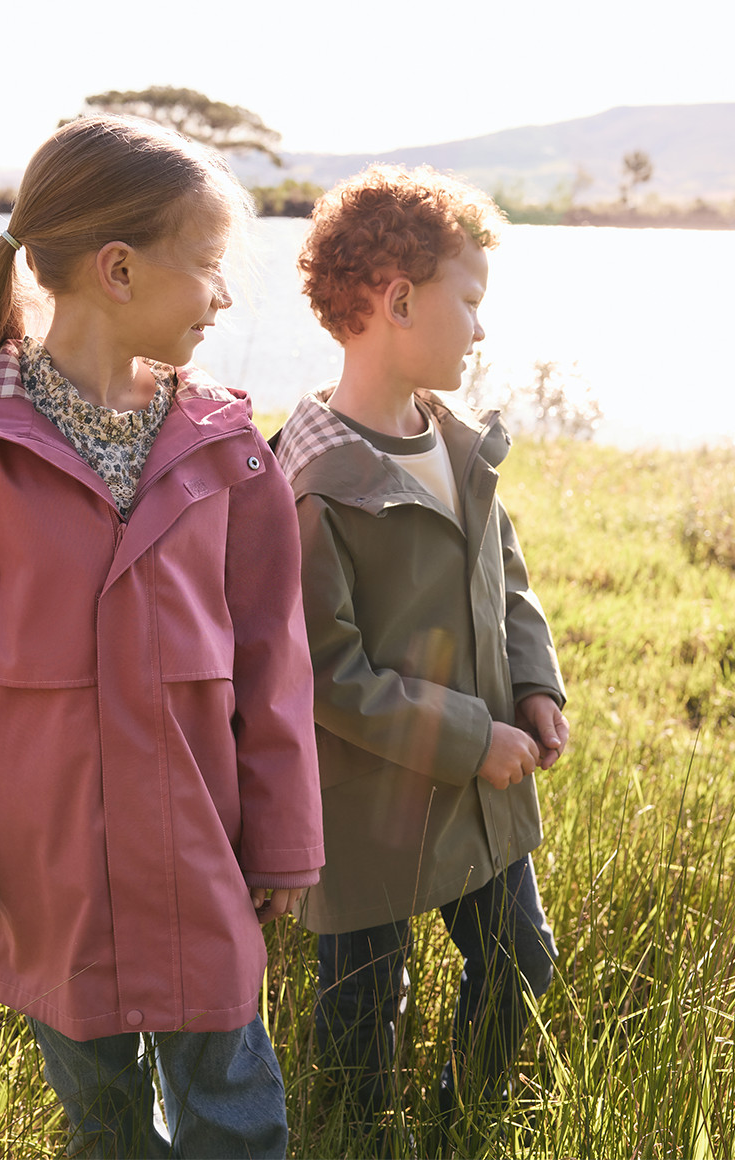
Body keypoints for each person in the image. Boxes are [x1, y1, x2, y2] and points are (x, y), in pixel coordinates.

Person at [0, 114, 324, 1160]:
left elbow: (273, 655)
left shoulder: (225, 446)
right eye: (208, 266)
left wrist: (285, 831)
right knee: (102, 1118)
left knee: (234, 1110)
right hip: (47, 862)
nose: (222, 295)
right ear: (118, 270)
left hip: (199, 844)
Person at [271, 164, 569, 1142]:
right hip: (369, 808)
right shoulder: (312, 480)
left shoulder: (452, 440)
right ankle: (355, 1137)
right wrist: (467, 738)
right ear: (397, 300)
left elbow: (505, 567)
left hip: (480, 790)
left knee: (519, 962)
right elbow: (328, 671)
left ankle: (457, 1126)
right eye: (468, 301)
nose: (479, 329)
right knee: (362, 1015)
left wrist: (532, 681)